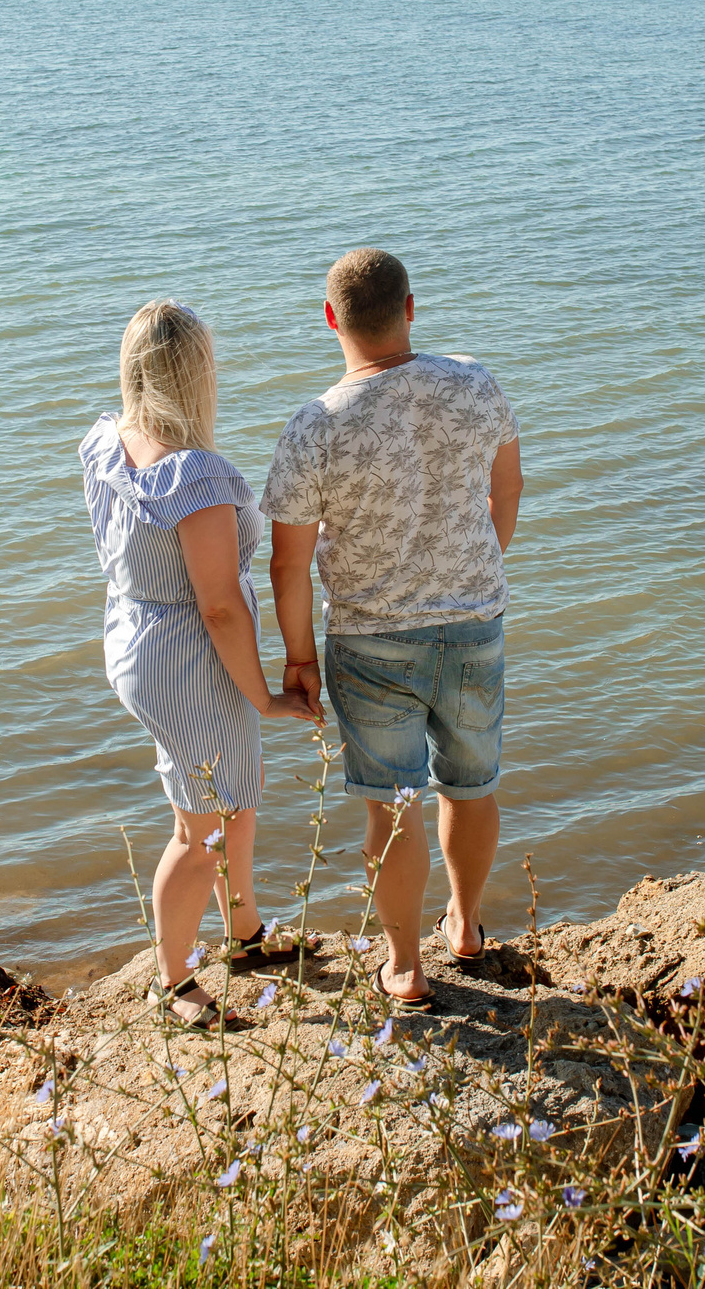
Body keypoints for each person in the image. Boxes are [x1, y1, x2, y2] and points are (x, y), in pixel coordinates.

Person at [263, 250, 523, 1011]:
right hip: (475, 623)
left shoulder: (315, 425)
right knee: (472, 787)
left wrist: (299, 658)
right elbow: (506, 487)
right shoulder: (476, 382)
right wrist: (476, 567)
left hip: (370, 639)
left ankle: (406, 966)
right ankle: (467, 925)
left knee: (394, 804)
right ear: (411, 308)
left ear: (331, 319)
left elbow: (288, 564)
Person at [81, 300, 313, 1027]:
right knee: (202, 827)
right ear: (198, 376)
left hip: (134, 631)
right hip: (186, 654)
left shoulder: (107, 440)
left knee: (232, 801)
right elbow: (220, 607)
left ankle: (244, 935)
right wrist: (267, 697)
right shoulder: (196, 478)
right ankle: (173, 979)